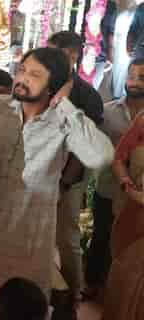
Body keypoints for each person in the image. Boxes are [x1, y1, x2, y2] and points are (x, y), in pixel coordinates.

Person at [0, 47, 114, 320]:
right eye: (21, 70)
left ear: (53, 86)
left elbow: (101, 156)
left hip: (29, 248)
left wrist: (64, 104)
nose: (22, 78)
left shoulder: (63, 122)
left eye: (34, 75)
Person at [47, 31, 104, 309]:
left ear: (72, 56)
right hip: (37, 173)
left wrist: (64, 184)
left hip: (69, 177)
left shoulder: (88, 96)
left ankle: (73, 290)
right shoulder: (40, 84)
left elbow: (83, 149)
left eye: (59, 56)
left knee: (66, 236)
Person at [85, 58, 144, 300]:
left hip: (137, 201)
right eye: (132, 76)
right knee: (102, 237)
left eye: (142, 78)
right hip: (110, 188)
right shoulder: (108, 112)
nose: (135, 82)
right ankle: (93, 284)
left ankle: (120, 292)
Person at [103, 58, 144, 320]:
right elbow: (119, 158)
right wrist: (129, 187)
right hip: (135, 207)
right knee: (127, 271)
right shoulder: (142, 122)